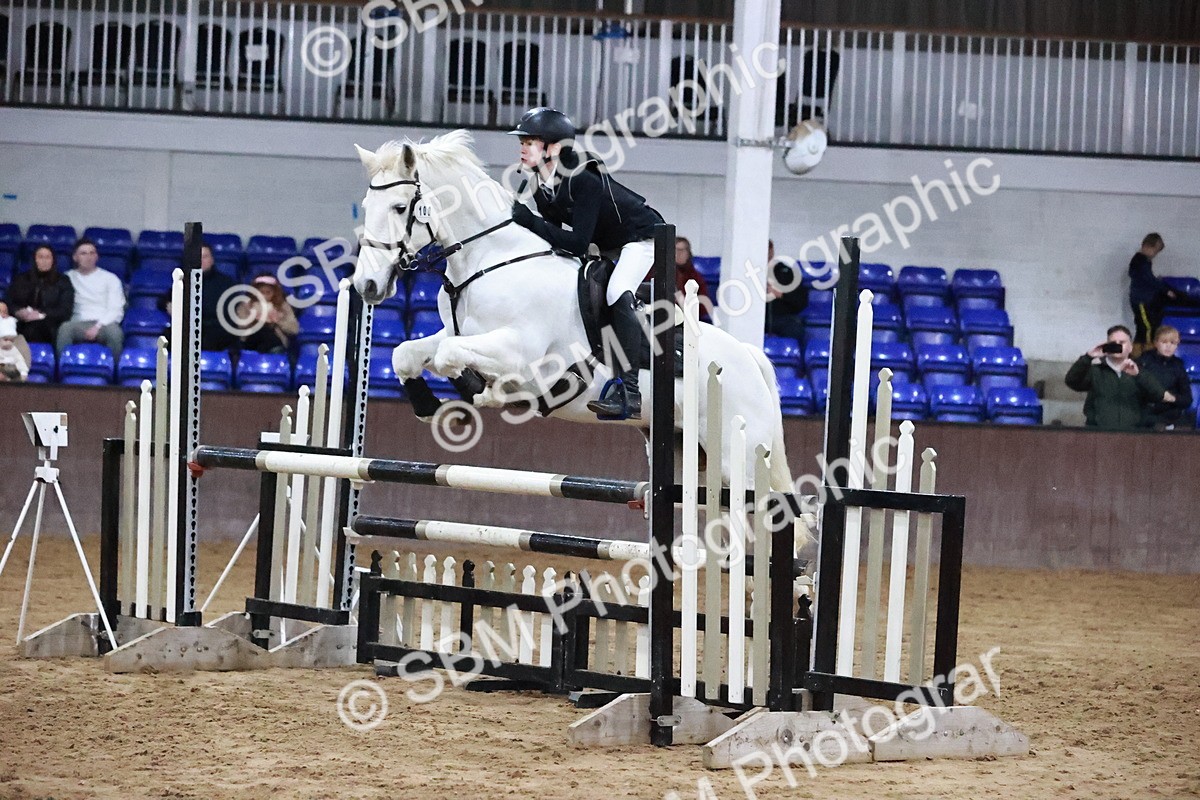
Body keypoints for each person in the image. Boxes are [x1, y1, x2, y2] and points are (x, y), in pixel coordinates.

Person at [507, 106, 665, 420]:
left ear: (553, 148)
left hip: (643, 237)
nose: (522, 147)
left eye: (530, 141)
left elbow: (577, 242)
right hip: (609, 244)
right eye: (522, 141)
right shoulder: (541, 183)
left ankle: (630, 393)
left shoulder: (583, 178)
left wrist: (529, 222)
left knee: (616, 292)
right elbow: (557, 237)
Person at [1065, 324, 1169, 431]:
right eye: (1113, 343)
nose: (1118, 346)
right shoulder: (1096, 371)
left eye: (1122, 343)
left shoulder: (1141, 371)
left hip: (1134, 434)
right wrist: (1088, 357)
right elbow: (1071, 381)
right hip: (1099, 433)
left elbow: (1159, 395)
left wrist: (1138, 375)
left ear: (1130, 347)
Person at [159, 243, 238, 351]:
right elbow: (163, 300)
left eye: (205, 257)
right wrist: (168, 305)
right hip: (189, 327)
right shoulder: (185, 281)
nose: (201, 261)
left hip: (216, 330)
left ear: (212, 260)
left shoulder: (226, 283)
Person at [57, 238, 125, 355]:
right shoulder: (67, 278)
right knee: (64, 329)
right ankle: (61, 370)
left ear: (97, 257)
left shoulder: (110, 278)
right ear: (75, 257)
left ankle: (114, 371)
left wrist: (97, 327)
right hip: (77, 323)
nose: (88, 257)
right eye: (83, 253)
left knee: (115, 333)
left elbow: (116, 308)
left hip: (104, 323)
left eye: (92, 253)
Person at [6, 244, 75, 345]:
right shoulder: (21, 279)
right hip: (21, 322)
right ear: (35, 260)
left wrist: (40, 315)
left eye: (47, 257)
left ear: (53, 260)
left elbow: (65, 311)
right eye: (40, 257)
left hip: (50, 324)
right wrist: (18, 312)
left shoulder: (63, 281)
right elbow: (9, 302)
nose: (44, 261)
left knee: (34, 328)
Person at [1135, 324, 1193, 430]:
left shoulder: (1178, 365)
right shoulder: (1143, 361)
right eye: (1164, 342)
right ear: (1156, 343)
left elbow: (1187, 399)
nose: (1168, 346)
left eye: (1173, 343)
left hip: (1171, 415)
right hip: (1145, 414)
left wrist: (1172, 398)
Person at [1128, 233, 1176, 356]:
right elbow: (1148, 279)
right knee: (1148, 328)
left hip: (1142, 299)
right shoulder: (1140, 261)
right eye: (1155, 250)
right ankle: (1147, 355)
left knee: (1143, 328)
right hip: (1141, 301)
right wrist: (1166, 290)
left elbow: (1147, 277)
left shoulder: (1142, 261)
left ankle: (1138, 355)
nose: (1155, 254)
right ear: (1147, 246)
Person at [653, 237, 711, 322]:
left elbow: (704, 306)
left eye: (682, 250)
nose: (679, 254)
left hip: (689, 320)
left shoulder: (695, 277)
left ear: (688, 253)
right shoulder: (658, 272)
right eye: (676, 250)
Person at [238, 274, 299, 354]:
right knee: (262, 331)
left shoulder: (282, 306)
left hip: (275, 339)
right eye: (261, 292)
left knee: (268, 334)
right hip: (251, 339)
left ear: (274, 292)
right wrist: (252, 319)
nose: (264, 296)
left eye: (268, 292)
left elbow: (294, 329)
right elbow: (239, 326)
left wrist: (278, 320)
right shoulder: (246, 304)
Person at [765, 239, 809, 341]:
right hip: (757, 318)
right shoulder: (750, 273)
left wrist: (782, 295)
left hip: (783, 318)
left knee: (796, 330)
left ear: (771, 250)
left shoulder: (788, 273)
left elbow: (801, 301)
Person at [0, 315, 30, 382]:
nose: (8, 343)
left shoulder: (15, 349)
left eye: (11, 340)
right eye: (6, 340)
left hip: (11, 374)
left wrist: (23, 372)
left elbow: (20, 361)